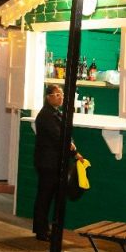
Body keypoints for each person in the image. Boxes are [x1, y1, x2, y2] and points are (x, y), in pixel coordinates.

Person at [32, 84, 81, 242]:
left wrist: (71, 146)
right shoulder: (46, 115)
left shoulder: (55, 113)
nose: (61, 97)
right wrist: (74, 152)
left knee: (49, 196)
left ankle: (45, 228)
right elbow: (59, 137)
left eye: (62, 94)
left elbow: (65, 134)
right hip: (48, 162)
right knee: (45, 196)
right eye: (57, 95)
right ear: (48, 97)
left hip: (53, 162)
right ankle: (41, 230)